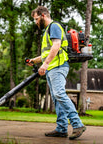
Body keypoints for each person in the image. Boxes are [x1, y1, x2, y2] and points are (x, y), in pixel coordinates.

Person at [28, 6, 86, 140]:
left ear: (43, 15)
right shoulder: (48, 30)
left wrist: (46, 64)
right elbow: (47, 53)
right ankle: (61, 128)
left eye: (36, 19)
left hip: (58, 66)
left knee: (59, 94)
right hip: (52, 67)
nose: (36, 22)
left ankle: (77, 124)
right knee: (56, 98)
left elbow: (56, 46)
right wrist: (35, 60)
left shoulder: (53, 26)